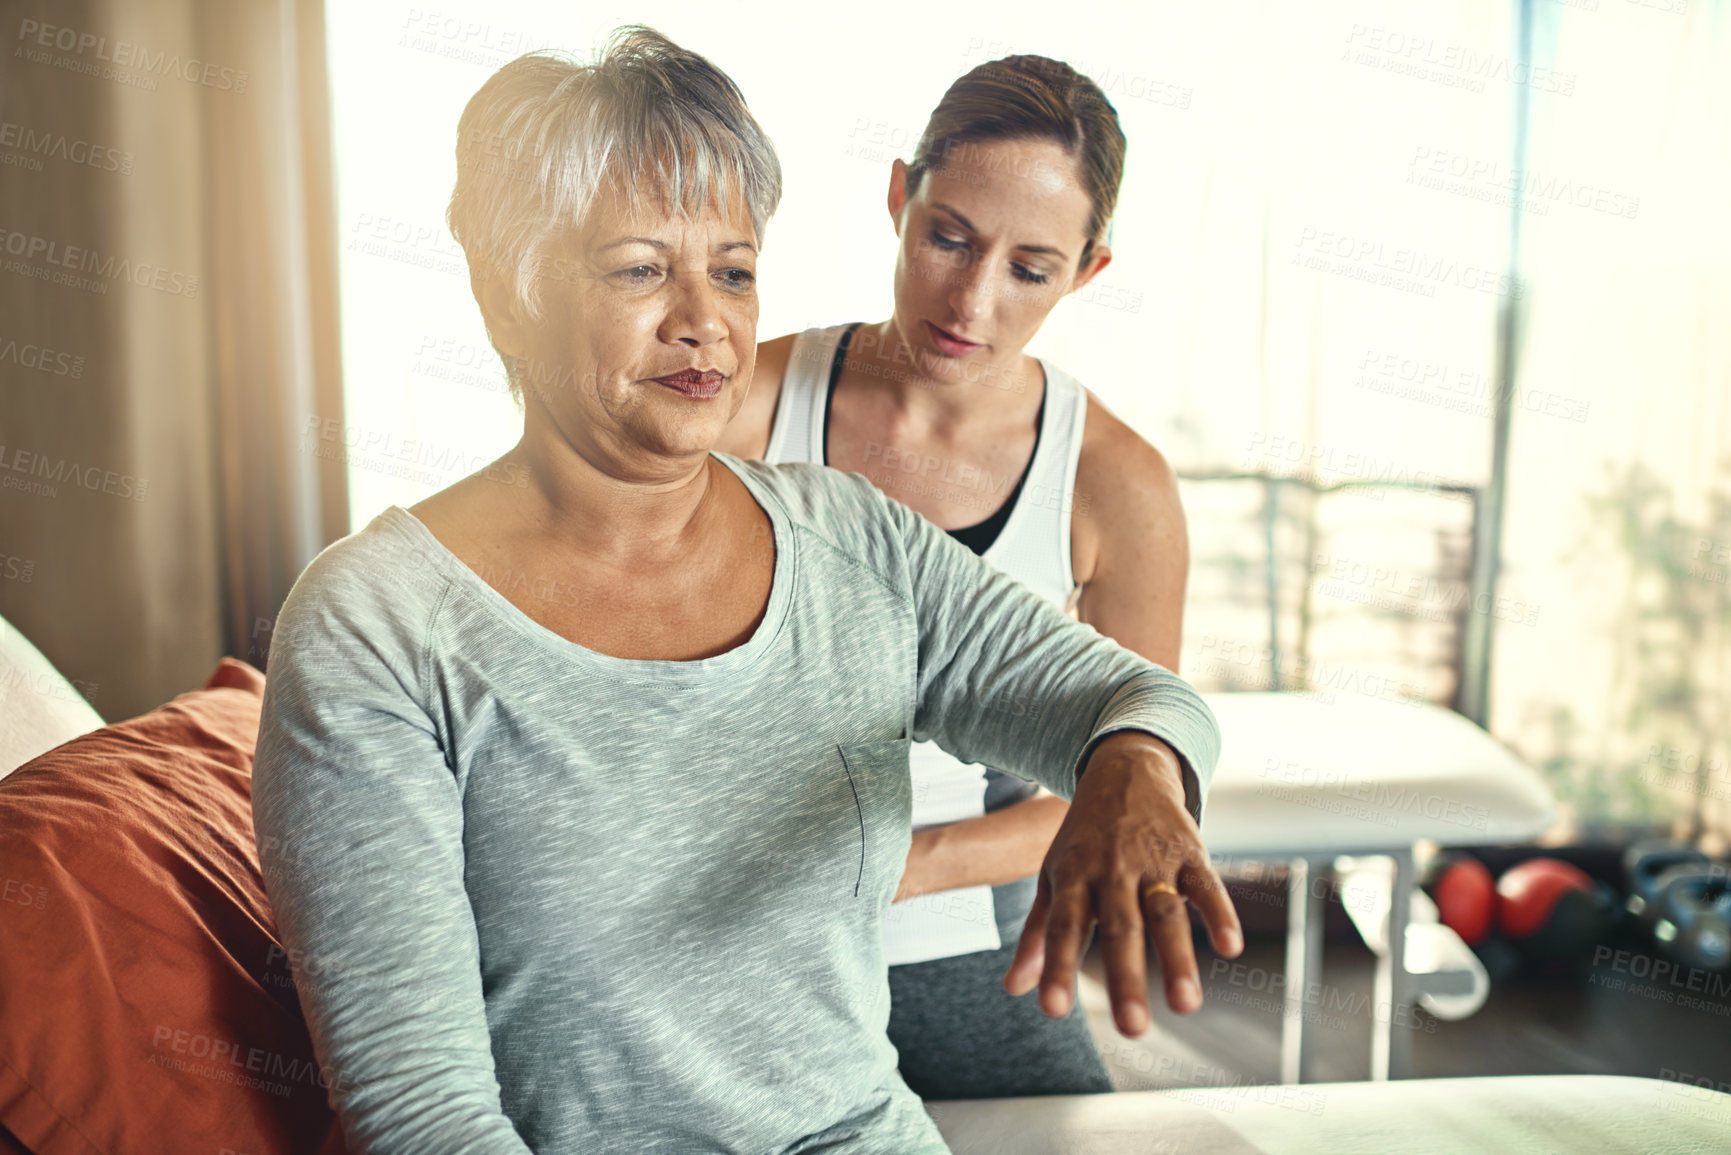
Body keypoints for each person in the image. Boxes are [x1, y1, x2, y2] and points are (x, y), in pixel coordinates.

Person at [252, 27, 1239, 1155]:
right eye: (639, 268)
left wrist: (1137, 765)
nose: (704, 321)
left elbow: (1145, 700)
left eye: (732, 269)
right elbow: (420, 1115)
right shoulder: (375, 624)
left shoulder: (853, 538)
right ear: (504, 290)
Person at [715, 55, 1186, 1099]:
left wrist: (893, 867)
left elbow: (1110, 789)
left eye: (1030, 269)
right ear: (899, 198)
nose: (971, 301)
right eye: (948, 239)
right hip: (742, 935)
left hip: (964, 947)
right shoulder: (747, 403)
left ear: (1088, 272)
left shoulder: (1118, 486)